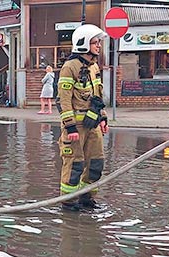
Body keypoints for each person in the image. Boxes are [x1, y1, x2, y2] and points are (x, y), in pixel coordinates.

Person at [57, 24, 109, 211]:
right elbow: (63, 100)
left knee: (96, 163)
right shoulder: (69, 67)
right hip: (76, 128)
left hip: (93, 124)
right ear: (83, 43)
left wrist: (102, 117)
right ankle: (69, 203)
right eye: (95, 42)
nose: (98, 46)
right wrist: (70, 127)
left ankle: (87, 199)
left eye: (98, 42)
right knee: (75, 164)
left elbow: (97, 96)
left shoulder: (93, 67)